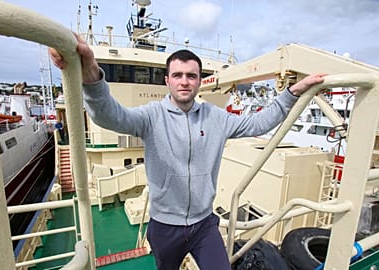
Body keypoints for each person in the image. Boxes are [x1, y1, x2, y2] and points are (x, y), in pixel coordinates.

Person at [50, 34, 325, 270]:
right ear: (167, 80)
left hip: (204, 225)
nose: (184, 81)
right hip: (164, 226)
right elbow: (110, 116)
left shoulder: (216, 117)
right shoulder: (151, 116)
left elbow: (257, 124)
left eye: (191, 76)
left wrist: (291, 93)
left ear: (198, 80)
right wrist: (91, 75)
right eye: (178, 75)